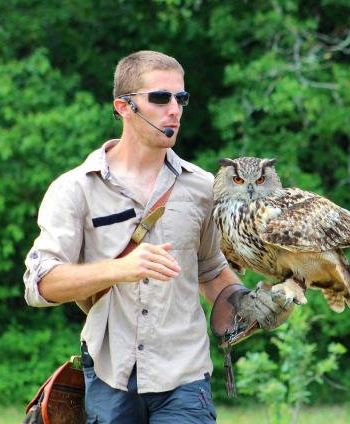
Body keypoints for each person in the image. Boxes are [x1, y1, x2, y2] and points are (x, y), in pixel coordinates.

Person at [23, 50, 291, 423]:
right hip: (108, 373)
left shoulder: (202, 188)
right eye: (160, 98)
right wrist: (119, 269)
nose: (174, 110)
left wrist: (250, 306)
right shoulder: (75, 188)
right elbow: (40, 285)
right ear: (124, 107)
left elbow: (211, 272)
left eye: (181, 99)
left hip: (184, 376)